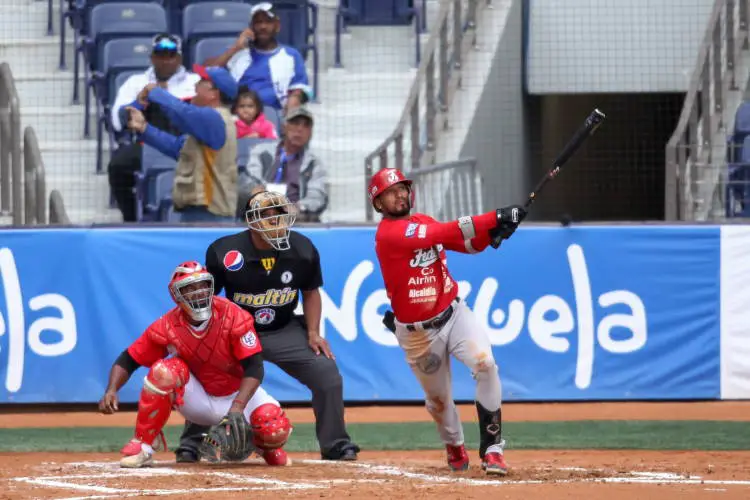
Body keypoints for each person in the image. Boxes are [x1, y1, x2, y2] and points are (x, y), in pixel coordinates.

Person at [173, 190, 360, 463]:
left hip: (282, 329)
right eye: (266, 215)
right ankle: (192, 443)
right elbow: (208, 298)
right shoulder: (224, 251)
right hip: (235, 332)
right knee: (209, 373)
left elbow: (310, 292)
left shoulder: (303, 249)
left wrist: (312, 332)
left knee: (326, 373)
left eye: (278, 215)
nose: (274, 221)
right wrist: (207, 338)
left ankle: (336, 444)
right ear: (251, 221)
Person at [368, 168, 526, 476]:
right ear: (378, 203)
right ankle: (454, 445)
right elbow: (444, 232)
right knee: (438, 400)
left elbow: (465, 244)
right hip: (418, 335)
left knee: (485, 364)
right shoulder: (389, 234)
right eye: (391, 192)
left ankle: (493, 448)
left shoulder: (423, 222)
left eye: (402, 188)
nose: (400, 195)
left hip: (454, 313)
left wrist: (493, 234)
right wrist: (496, 217)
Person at [98, 261, 293, 468]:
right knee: (164, 371)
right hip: (199, 399)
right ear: (176, 295)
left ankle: (266, 448)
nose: (198, 292)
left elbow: (255, 367)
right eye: (189, 288)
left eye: (202, 285)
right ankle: (144, 445)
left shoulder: (233, 315)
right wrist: (112, 389)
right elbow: (128, 359)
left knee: (274, 426)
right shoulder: (166, 326)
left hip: (238, 396)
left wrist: (237, 407)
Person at [125, 64, 239, 223]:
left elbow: (181, 112)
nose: (195, 85)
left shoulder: (215, 118)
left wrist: (154, 91)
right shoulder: (209, 122)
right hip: (201, 212)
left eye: (201, 81)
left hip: (212, 215)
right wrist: (144, 128)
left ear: (214, 93)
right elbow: (178, 148)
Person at [108, 33, 200, 222]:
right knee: (117, 165)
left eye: (171, 55)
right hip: (148, 144)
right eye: (160, 55)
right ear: (152, 57)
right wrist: (139, 102)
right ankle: (131, 219)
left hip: (188, 144)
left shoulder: (195, 82)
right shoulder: (135, 82)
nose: (165, 60)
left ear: (179, 58)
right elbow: (117, 121)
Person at [202, 2, 312, 113]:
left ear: (277, 26)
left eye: (268, 22)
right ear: (251, 27)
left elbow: (300, 87)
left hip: (274, 113)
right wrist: (235, 48)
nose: (263, 26)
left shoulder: (291, 55)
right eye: (258, 22)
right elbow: (206, 71)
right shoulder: (239, 53)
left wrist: (294, 99)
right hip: (239, 113)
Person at [240, 106, 328, 222]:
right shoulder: (262, 152)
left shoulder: (314, 163)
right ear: (284, 127)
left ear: (310, 133)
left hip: (295, 220)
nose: (300, 129)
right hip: (261, 212)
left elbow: (317, 197)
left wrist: (298, 207)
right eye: (295, 123)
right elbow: (250, 181)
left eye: (306, 126)